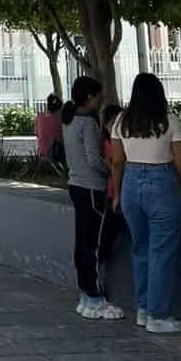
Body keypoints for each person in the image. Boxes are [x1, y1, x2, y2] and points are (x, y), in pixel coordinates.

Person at [110, 72, 181, 334]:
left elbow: (117, 161)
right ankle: (158, 314)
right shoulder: (170, 121)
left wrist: (118, 193)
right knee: (162, 251)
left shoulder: (121, 121)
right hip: (162, 182)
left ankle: (143, 309)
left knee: (140, 248)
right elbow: (180, 162)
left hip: (131, 182)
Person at [64, 75, 124, 320]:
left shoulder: (68, 121)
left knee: (83, 241)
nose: (101, 102)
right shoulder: (87, 123)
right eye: (98, 96)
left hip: (76, 185)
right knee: (95, 243)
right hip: (91, 188)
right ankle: (95, 296)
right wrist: (112, 168)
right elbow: (93, 159)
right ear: (89, 97)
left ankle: (86, 294)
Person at [34, 93, 64, 164]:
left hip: (43, 152)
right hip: (56, 154)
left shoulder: (39, 117)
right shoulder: (60, 117)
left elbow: (37, 134)